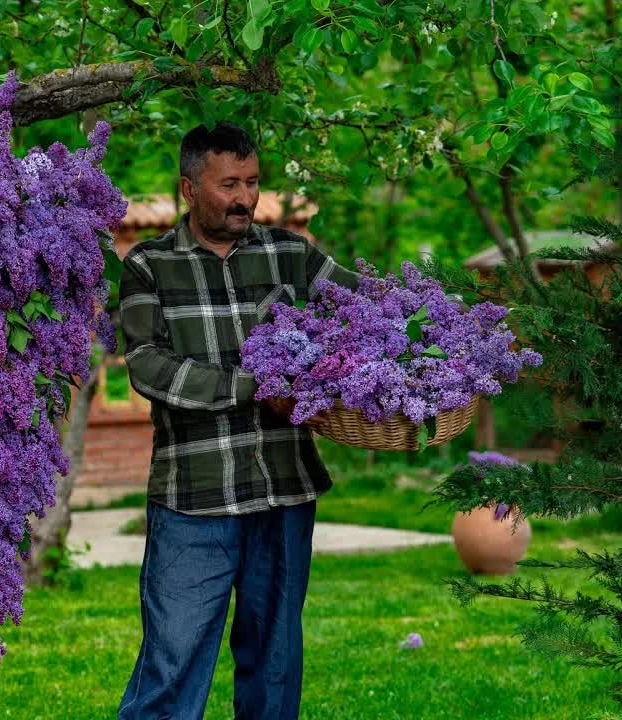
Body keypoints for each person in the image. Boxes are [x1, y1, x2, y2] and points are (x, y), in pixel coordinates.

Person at [116, 122, 359, 720]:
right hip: (193, 498)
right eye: (228, 184)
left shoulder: (291, 255)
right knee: (171, 665)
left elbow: (370, 309)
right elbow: (149, 367)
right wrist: (257, 387)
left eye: (252, 182)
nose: (244, 197)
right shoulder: (150, 264)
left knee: (274, 667)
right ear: (188, 188)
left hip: (284, 491)